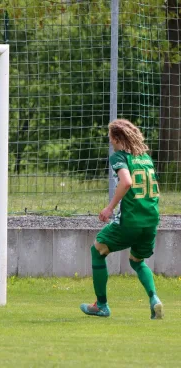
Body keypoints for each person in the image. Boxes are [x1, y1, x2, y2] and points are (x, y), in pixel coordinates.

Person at [80, 119, 163, 319]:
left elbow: (126, 182)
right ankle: (154, 300)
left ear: (117, 138)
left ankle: (101, 305)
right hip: (151, 219)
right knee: (137, 260)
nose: (110, 142)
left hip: (131, 219)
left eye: (110, 138)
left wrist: (109, 208)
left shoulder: (119, 157)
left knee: (97, 250)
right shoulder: (144, 158)